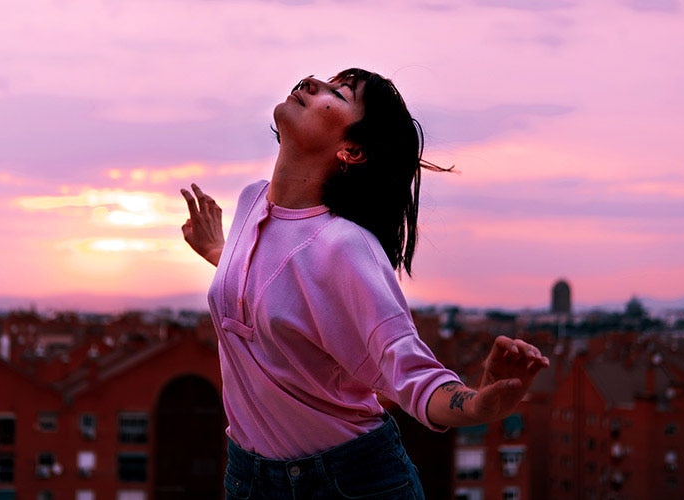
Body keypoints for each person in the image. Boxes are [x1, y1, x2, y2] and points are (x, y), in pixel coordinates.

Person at [181, 68, 550, 499]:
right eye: (317, 81)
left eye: (337, 93)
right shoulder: (250, 202)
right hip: (249, 480)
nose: (311, 85)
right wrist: (218, 253)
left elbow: (407, 367)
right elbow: (271, 285)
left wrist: (479, 404)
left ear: (352, 149)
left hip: (349, 483)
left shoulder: (345, 246)